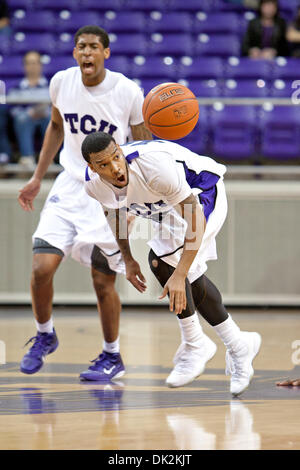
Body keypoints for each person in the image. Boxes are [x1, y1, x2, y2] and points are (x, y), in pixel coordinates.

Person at [81, 132, 262, 396]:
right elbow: (115, 215)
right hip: (168, 208)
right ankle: (238, 344)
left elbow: (195, 220)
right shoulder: (94, 185)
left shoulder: (154, 167)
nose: (115, 168)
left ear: (120, 150)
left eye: (116, 158)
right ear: (92, 168)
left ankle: (195, 343)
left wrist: (179, 274)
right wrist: (128, 259)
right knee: (189, 277)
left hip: (202, 191)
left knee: (161, 261)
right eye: (104, 165)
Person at [18, 25, 152, 381]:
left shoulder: (127, 91)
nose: (87, 53)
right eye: (81, 47)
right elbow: (56, 128)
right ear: (75, 53)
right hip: (70, 184)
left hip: (109, 192)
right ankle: (45, 335)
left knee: (102, 280)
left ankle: (112, 356)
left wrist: (137, 201)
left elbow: (143, 147)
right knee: (40, 269)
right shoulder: (61, 82)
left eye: (94, 47)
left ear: (106, 53)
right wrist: (36, 178)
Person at [9, 51, 51, 168]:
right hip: (26, 118)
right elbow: (12, 109)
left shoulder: (50, 85)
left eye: (35, 63)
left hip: (45, 116)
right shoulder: (17, 87)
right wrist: (29, 113)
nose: (33, 66)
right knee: (21, 118)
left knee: (52, 117)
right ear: (24, 66)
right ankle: (27, 157)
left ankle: (48, 157)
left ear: (40, 65)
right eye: (29, 63)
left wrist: (42, 111)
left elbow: (56, 105)